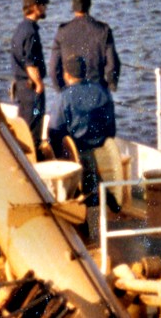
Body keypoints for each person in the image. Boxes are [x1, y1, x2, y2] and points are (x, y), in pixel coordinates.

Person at [48, 54, 117, 221]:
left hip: (77, 150)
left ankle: (88, 221)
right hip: (102, 145)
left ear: (67, 75)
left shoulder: (64, 97)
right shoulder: (102, 91)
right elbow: (111, 125)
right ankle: (108, 200)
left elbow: (54, 131)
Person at [49, 0, 120, 93]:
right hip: (97, 90)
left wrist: (61, 91)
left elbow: (53, 68)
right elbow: (112, 65)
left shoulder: (62, 31)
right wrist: (111, 86)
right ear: (90, 5)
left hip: (71, 91)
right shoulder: (103, 30)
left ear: (73, 6)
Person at [10, 0, 50, 151]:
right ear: (35, 8)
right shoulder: (31, 32)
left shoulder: (21, 29)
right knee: (33, 128)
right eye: (43, 5)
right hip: (31, 88)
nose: (45, 8)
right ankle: (33, 160)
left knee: (24, 126)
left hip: (21, 87)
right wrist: (39, 84)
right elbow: (30, 63)